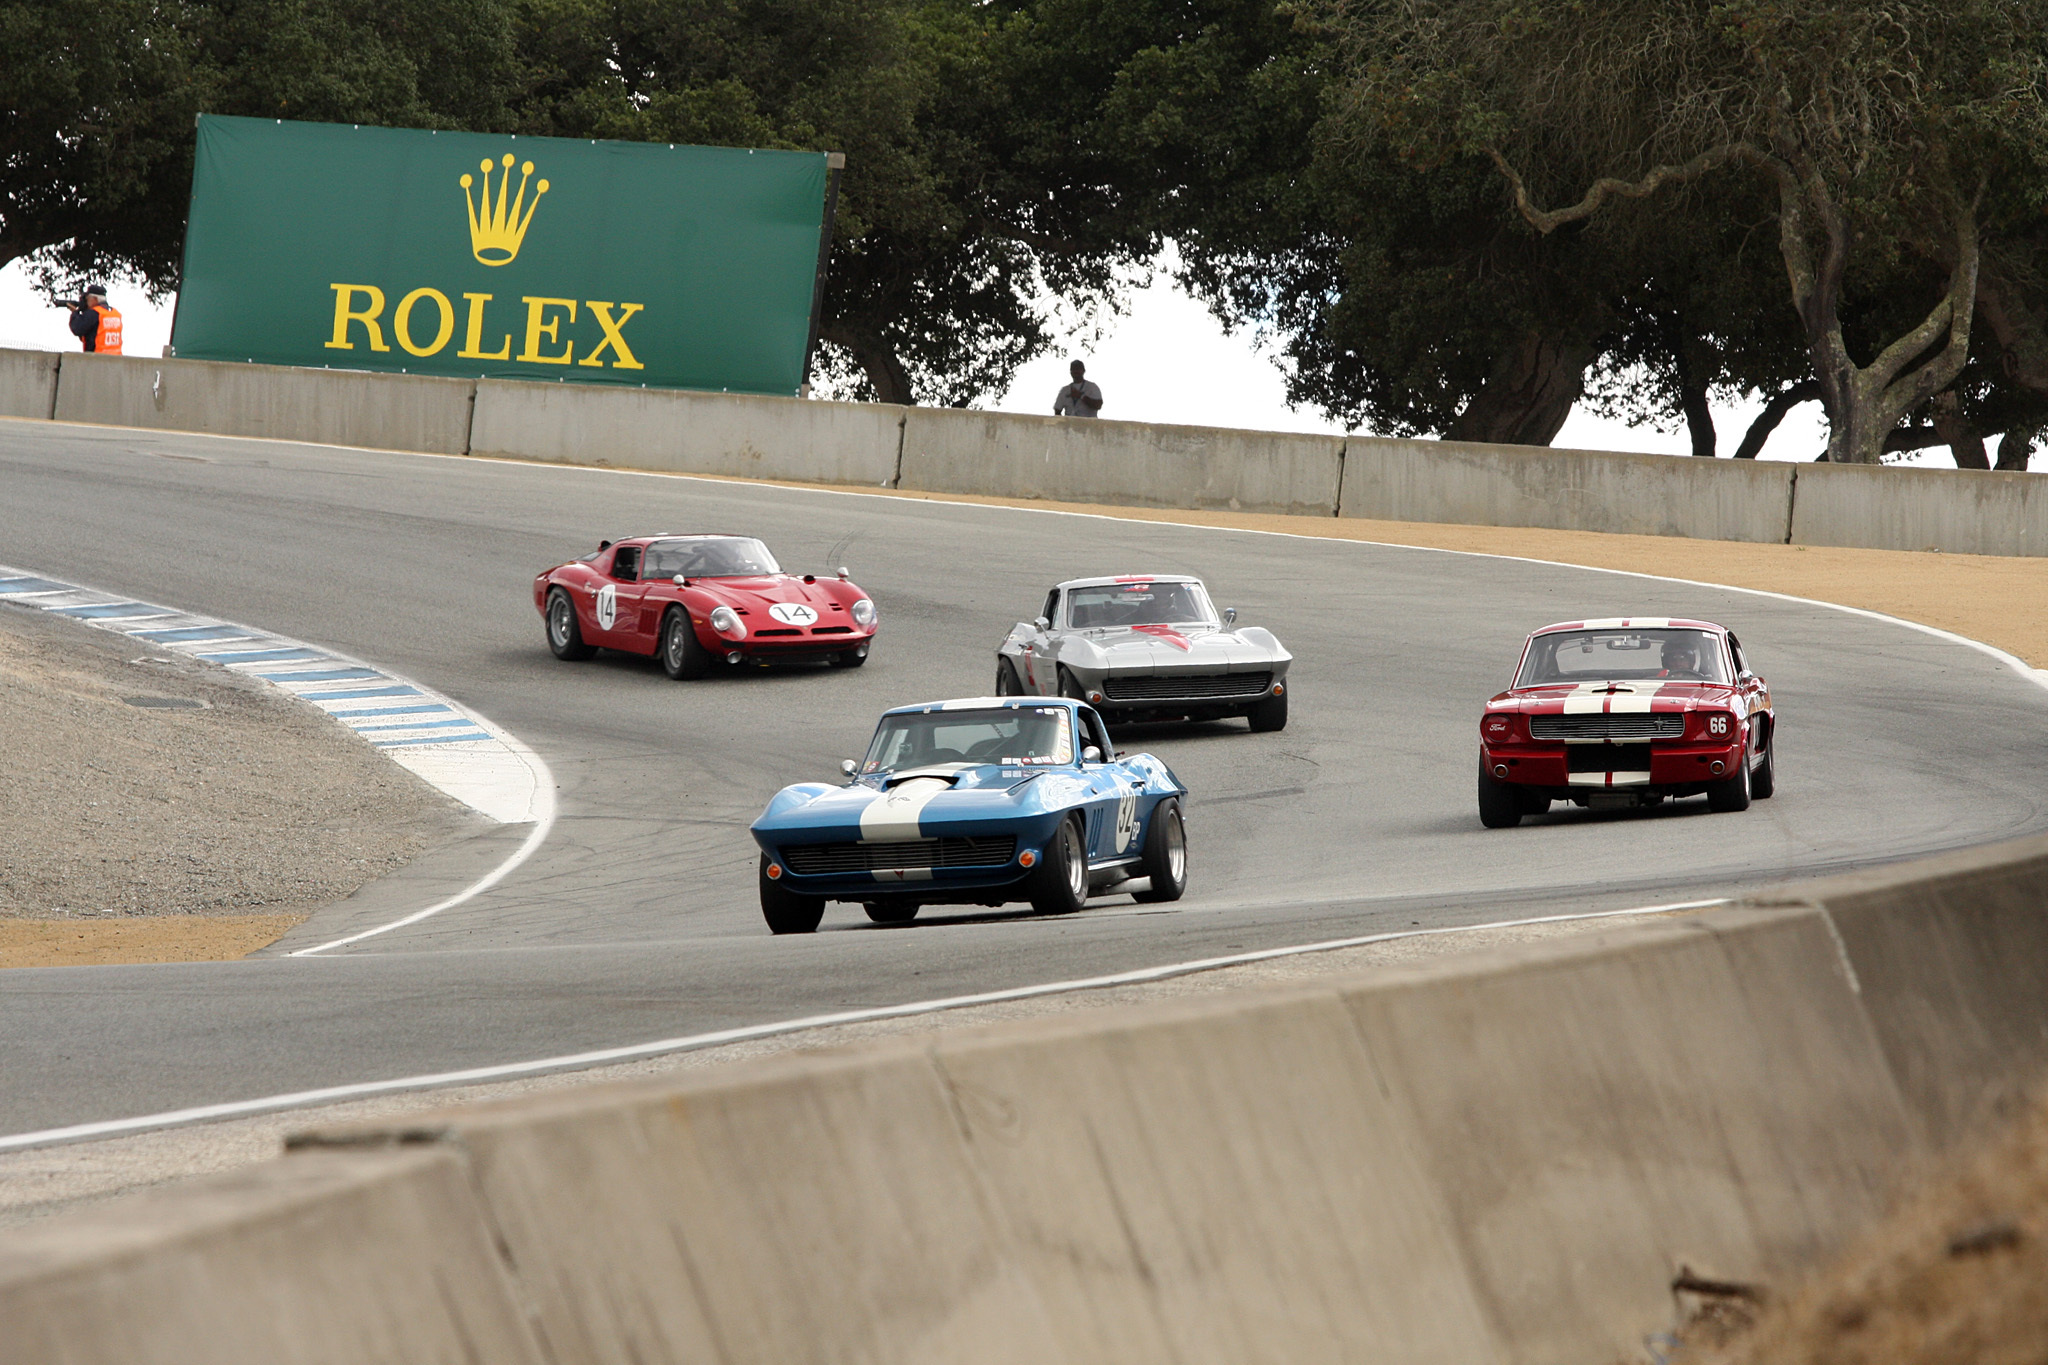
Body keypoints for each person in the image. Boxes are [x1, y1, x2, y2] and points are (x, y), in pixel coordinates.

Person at [66, 285, 123, 355]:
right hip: (116, 358)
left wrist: (75, 313)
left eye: (87, 299)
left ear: (95, 299)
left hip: (97, 358)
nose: (86, 302)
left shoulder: (94, 313)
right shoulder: (115, 313)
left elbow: (77, 328)